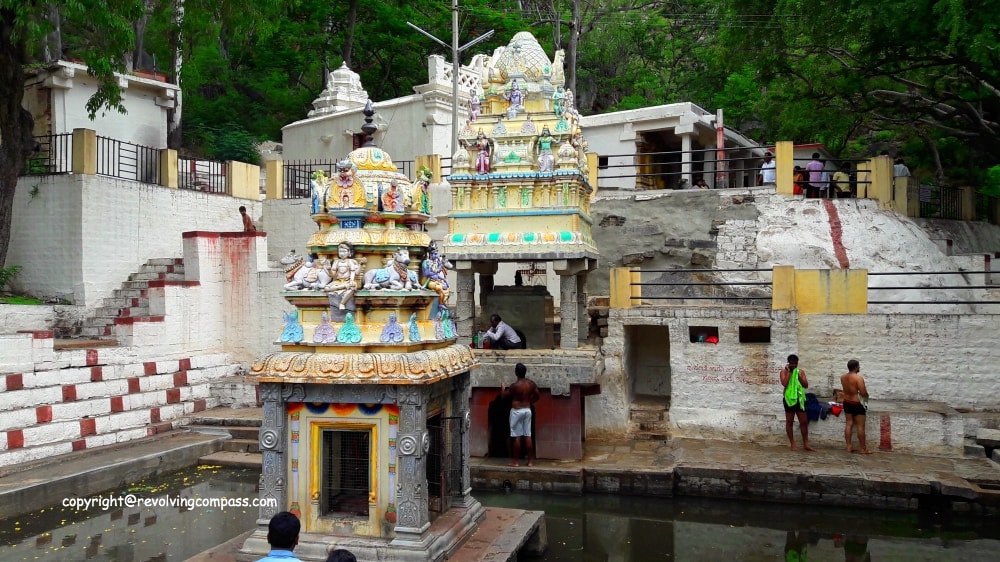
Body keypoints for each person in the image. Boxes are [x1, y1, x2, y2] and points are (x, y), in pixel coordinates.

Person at [500, 363, 540, 467]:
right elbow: (537, 395)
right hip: (527, 410)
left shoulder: (515, 386)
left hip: (516, 411)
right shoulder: (531, 384)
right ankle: (530, 461)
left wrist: (503, 388)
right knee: (528, 435)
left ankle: (515, 461)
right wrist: (531, 402)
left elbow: (504, 396)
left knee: (517, 436)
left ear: (516, 373)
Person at [780, 354, 814, 451]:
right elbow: (784, 383)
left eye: (795, 364)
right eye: (792, 364)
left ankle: (806, 444)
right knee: (789, 421)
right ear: (788, 363)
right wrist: (790, 372)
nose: (794, 365)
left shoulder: (801, 372)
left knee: (803, 422)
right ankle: (792, 443)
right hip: (789, 399)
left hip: (799, 399)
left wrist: (798, 376)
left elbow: (806, 385)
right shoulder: (783, 372)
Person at [840, 359, 871, 454]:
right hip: (856, 403)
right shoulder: (858, 378)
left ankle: (849, 447)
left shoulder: (842, 377)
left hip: (847, 402)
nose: (859, 368)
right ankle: (863, 449)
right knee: (860, 426)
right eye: (858, 366)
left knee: (849, 424)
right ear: (855, 367)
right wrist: (866, 396)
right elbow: (863, 392)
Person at [325, 242, 361, 310]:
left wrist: (352, 281)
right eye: (340, 251)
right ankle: (343, 287)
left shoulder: (351, 261)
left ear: (349, 252)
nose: (342, 253)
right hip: (338, 282)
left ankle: (342, 303)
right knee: (326, 288)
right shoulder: (336, 262)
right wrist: (329, 269)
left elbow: (354, 272)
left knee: (352, 288)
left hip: (348, 281)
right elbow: (332, 275)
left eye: (344, 251)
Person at [421, 241, 453, 306]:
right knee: (439, 288)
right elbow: (427, 274)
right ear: (429, 254)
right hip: (428, 281)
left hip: (436, 280)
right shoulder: (426, 262)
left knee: (447, 287)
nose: (436, 256)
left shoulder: (436, 262)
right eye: (434, 254)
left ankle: (442, 302)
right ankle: (440, 304)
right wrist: (437, 270)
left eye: (436, 254)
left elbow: (437, 275)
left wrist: (444, 280)